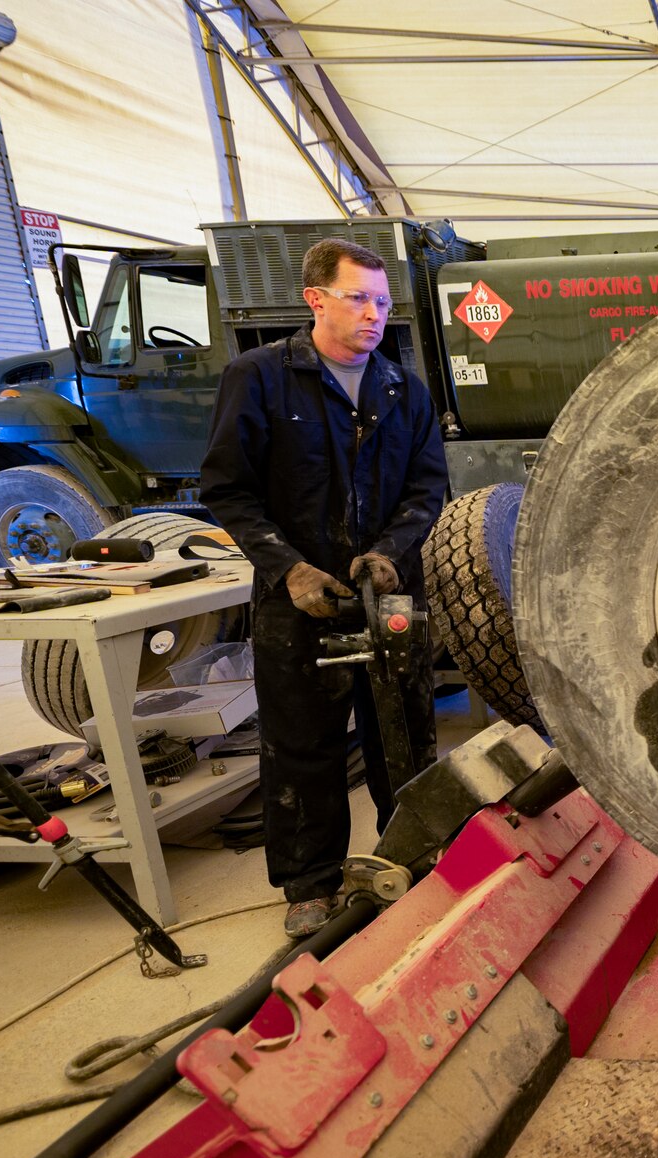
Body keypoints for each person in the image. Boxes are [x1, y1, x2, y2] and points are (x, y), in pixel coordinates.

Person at [201, 239, 446, 938]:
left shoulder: (403, 389)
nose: (374, 314)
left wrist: (389, 553)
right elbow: (228, 488)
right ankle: (310, 883)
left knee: (403, 732)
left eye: (381, 301)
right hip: (298, 598)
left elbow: (428, 487)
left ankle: (413, 856)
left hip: (389, 590)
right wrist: (289, 568)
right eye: (358, 297)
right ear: (315, 298)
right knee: (302, 742)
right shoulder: (259, 379)